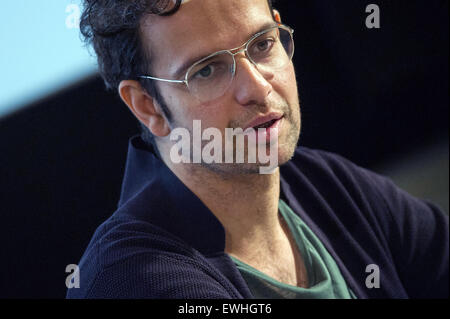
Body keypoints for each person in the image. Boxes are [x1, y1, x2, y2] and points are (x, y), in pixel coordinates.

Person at [67, 0, 448, 299]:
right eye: (206, 70)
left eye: (263, 44)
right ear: (147, 105)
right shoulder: (130, 277)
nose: (257, 89)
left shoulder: (326, 184)